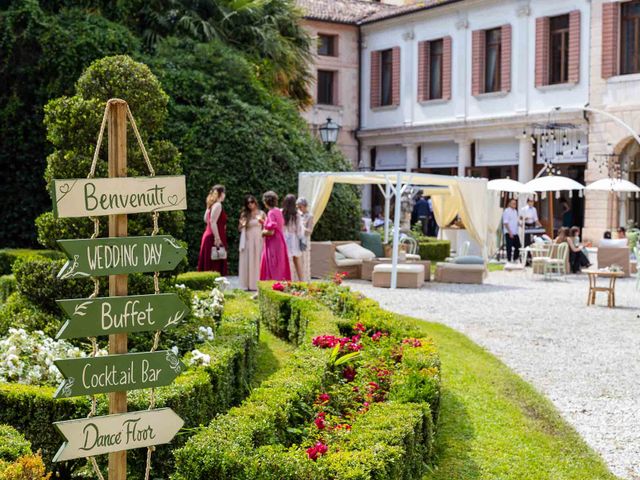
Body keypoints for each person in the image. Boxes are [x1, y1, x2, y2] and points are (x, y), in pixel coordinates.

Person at [259, 191, 291, 282]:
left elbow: (271, 232)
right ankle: (280, 286)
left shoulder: (271, 212)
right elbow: (276, 225)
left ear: (265, 202)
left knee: (272, 266)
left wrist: (263, 232)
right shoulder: (278, 211)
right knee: (280, 265)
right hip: (280, 241)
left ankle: (271, 287)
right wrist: (263, 222)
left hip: (273, 243)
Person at [197, 185, 228, 275]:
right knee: (215, 264)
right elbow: (212, 221)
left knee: (209, 262)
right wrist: (217, 238)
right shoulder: (218, 205)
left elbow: (205, 219)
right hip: (214, 237)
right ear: (221, 193)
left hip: (208, 235)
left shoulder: (211, 205)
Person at [238, 195, 265, 291]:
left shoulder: (262, 213)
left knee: (258, 260)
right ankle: (247, 284)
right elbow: (240, 228)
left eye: (252, 202)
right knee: (248, 260)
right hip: (248, 239)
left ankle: (257, 284)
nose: (250, 204)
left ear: (255, 202)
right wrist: (242, 225)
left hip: (258, 239)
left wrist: (261, 221)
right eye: (248, 203)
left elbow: (266, 226)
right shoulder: (245, 214)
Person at [282, 194, 304, 281]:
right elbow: (299, 230)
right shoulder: (297, 214)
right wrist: (300, 238)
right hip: (294, 238)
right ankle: (302, 281)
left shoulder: (281, 212)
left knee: (285, 260)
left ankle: (285, 280)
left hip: (284, 237)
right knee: (297, 260)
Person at [297, 197, 314, 282]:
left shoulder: (310, 216)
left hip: (305, 241)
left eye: (300, 207)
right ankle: (297, 279)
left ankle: (305, 280)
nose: (299, 209)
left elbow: (310, 231)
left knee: (304, 260)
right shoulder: (297, 215)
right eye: (298, 207)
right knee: (297, 259)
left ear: (305, 206)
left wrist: (301, 228)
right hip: (296, 240)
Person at [502, 198, 521, 262]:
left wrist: (520, 224)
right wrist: (510, 232)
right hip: (508, 232)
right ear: (510, 204)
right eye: (513, 203)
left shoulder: (515, 211)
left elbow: (516, 221)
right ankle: (509, 259)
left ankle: (515, 258)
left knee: (518, 246)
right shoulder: (507, 211)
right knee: (509, 247)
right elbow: (505, 223)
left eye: (515, 203)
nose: (514, 204)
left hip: (515, 232)